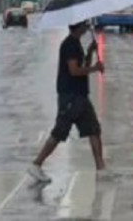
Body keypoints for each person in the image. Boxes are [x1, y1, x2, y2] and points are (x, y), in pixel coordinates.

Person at [27, 20, 104, 183]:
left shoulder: (76, 44)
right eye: (85, 24)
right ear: (79, 27)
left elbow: (82, 66)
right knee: (59, 133)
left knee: (94, 130)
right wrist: (95, 69)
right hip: (70, 97)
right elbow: (75, 71)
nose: (87, 26)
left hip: (81, 96)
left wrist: (90, 53)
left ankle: (101, 169)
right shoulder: (69, 45)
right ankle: (36, 164)